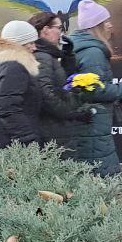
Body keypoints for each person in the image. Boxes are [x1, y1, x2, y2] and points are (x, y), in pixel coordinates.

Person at [66, 0, 122, 177]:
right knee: (101, 171)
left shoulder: (80, 47)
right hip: (93, 123)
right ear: (96, 26)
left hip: (87, 122)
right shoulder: (93, 53)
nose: (110, 25)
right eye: (106, 22)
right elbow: (95, 90)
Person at [28, 11, 94, 153]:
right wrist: (70, 112)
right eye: (59, 28)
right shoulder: (41, 57)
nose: (62, 33)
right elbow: (46, 95)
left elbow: (63, 82)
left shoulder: (49, 55)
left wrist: (68, 56)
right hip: (51, 131)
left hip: (55, 129)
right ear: (45, 30)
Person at [0, 20, 44, 148]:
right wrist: (30, 142)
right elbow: (9, 109)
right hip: (6, 144)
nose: (34, 48)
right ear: (19, 44)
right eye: (31, 43)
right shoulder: (14, 68)